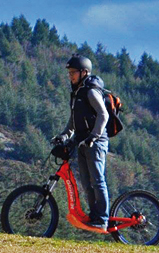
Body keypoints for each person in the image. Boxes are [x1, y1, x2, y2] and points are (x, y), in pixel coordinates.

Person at [53, 54, 110, 232]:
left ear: (84, 72)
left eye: (73, 72)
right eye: (69, 72)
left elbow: (104, 115)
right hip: (83, 143)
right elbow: (73, 121)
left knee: (98, 181)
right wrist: (64, 135)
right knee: (86, 182)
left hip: (96, 142)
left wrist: (94, 136)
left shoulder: (91, 91)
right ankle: (94, 216)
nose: (70, 75)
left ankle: (102, 219)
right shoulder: (76, 93)